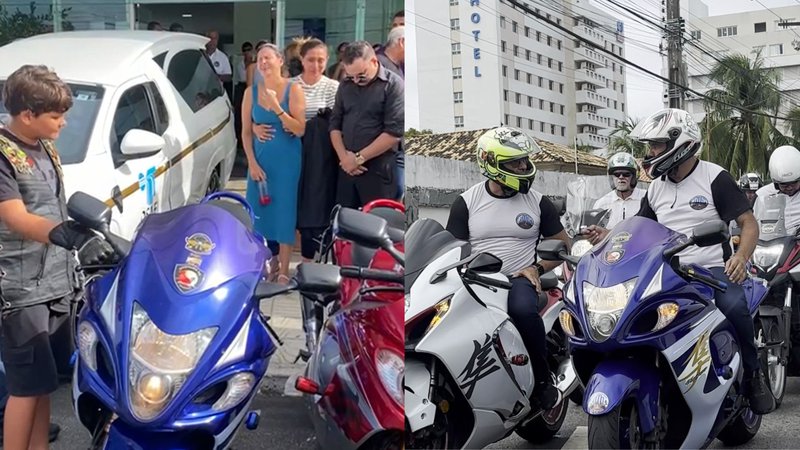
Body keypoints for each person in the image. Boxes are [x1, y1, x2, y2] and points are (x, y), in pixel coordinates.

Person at [584, 108, 775, 414]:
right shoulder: (656, 187)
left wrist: (740, 257)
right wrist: (607, 235)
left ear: (680, 142)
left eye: (656, 145)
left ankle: (753, 375)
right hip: (669, 270)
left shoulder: (715, 178)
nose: (650, 153)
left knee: (734, 307)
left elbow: (748, 223)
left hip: (712, 270)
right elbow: (638, 227)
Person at [0, 65, 115, 450]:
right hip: (18, 288)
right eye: (56, 115)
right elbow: (15, 217)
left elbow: (51, 203)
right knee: (24, 388)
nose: (63, 123)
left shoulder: (44, 146)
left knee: (44, 383)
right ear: (27, 115)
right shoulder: (2, 155)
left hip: (55, 282)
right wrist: (66, 234)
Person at [446, 127, 569, 410]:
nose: (524, 167)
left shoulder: (537, 202)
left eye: (524, 160)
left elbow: (563, 244)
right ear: (491, 163)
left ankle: (541, 383)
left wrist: (536, 267)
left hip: (518, 279)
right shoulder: (466, 203)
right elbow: (451, 250)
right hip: (475, 282)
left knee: (524, 312)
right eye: (515, 163)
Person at [241, 42, 306, 283]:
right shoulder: (250, 92)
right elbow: (245, 132)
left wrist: (277, 108)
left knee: (284, 212)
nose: (264, 63)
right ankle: (266, 262)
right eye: (260, 59)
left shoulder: (294, 90)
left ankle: (285, 270)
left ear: (280, 61)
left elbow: (299, 129)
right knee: (258, 212)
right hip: (260, 161)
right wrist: (252, 163)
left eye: (268, 57)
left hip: (287, 161)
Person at [330, 41, 404, 209]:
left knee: (378, 223)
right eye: (351, 76)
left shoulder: (393, 85)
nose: (356, 80)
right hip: (347, 167)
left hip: (378, 168)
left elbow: (393, 133)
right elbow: (335, 124)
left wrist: (359, 158)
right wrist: (344, 158)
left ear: (374, 62)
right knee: (345, 225)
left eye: (361, 75)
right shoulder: (346, 85)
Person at [292, 39, 340, 262]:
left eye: (321, 60)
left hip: (321, 155)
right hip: (293, 149)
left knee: (316, 202)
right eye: (311, 60)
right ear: (301, 59)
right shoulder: (291, 85)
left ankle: (312, 255)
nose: (316, 65)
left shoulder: (333, 87)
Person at [593, 152, 646, 229]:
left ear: (634, 177)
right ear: (611, 178)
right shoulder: (602, 203)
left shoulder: (646, 199)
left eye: (626, 174)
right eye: (617, 174)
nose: (621, 177)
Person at [754, 146, 800, 234]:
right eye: (784, 184)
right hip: (773, 241)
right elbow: (750, 220)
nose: (789, 187)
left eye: (794, 183)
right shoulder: (762, 194)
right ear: (775, 182)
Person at [206, 30, 233, 100]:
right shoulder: (199, 53)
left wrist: (217, 77)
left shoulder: (222, 57)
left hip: (216, 94)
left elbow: (229, 77)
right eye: (210, 38)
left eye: (215, 38)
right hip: (199, 94)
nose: (212, 41)